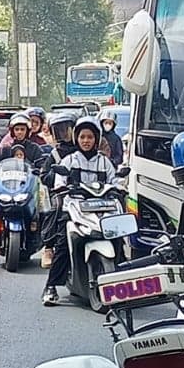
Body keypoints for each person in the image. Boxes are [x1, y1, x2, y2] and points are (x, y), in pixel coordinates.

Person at [42, 117, 117, 306]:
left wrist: (119, 187)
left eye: (90, 137)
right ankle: (51, 286)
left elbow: (115, 181)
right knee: (62, 244)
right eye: (82, 137)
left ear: (96, 139)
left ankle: (121, 283)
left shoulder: (105, 162)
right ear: (77, 138)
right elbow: (59, 181)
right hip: (74, 209)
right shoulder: (69, 160)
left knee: (118, 238)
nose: (86, 141)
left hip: (102, 209)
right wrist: (62, 187)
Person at [0, 115, 46, 260]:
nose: (19, 132)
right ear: (12, 131)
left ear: (27, 131)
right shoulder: (5, 149)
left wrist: (43, 169)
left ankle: (48, 249)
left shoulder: (34, 149)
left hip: (27, 190)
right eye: (17, 129)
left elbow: (42, 163)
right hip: (8, 190)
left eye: (22, 129)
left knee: (44, 211)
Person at [40, 113, 79, 268]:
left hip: (85, 191)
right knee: (56, 208)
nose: (63, 134)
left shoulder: (83, 150)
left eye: (66, 129)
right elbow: (44, 175)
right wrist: (56, 175)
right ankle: (48, 247)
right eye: (59, 130)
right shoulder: (55, 154)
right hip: (62, 192)